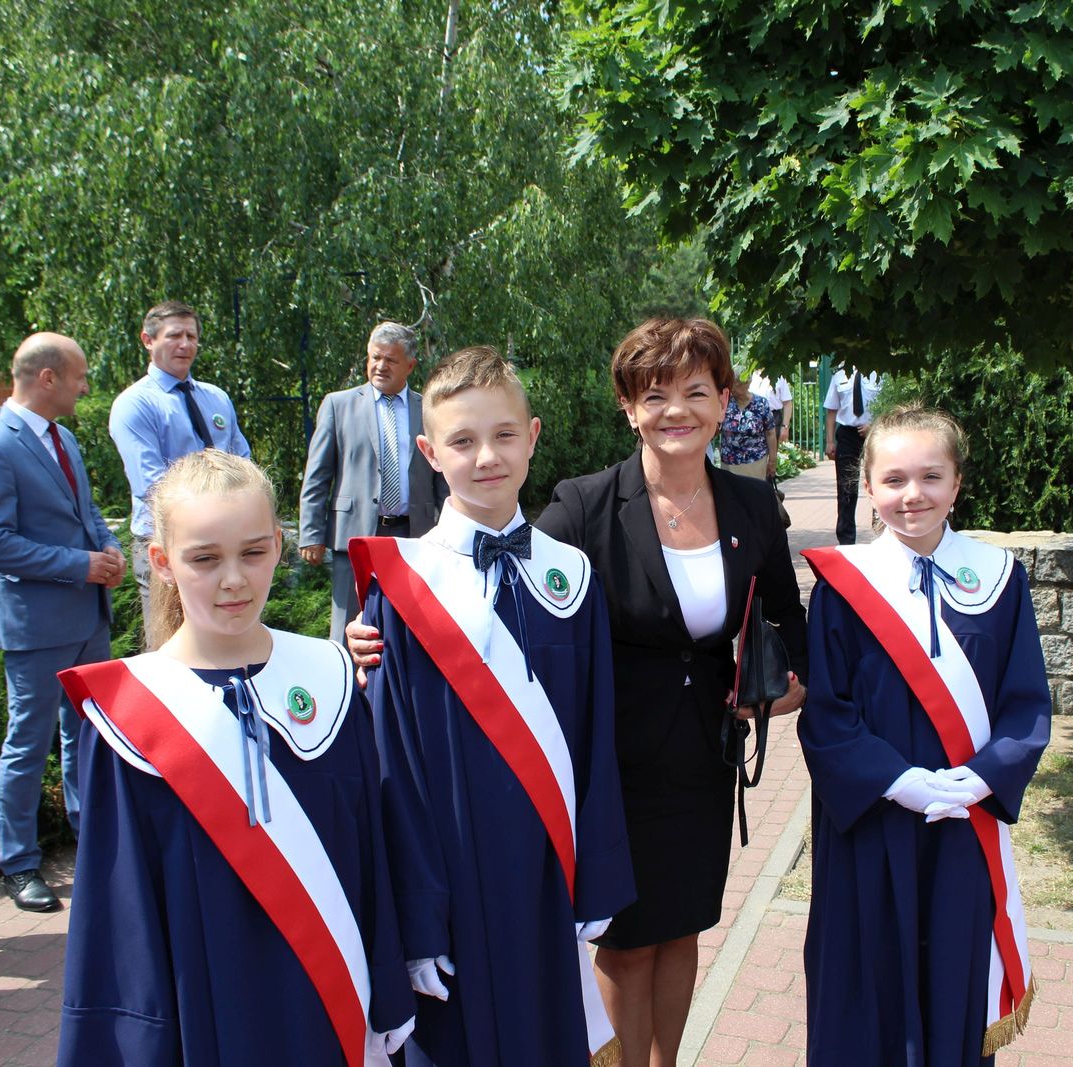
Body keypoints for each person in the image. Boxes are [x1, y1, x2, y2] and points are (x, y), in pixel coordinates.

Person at [349, 320, 808, 1066]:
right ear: (629, 408)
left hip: (700, 756)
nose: (676, 410)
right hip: (609, 764)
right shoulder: (589, 505)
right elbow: (486, 583)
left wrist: (777, 691)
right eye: (654, 395)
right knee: (626, 944)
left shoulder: (750, 506)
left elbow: (789, 616)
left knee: (683, 928)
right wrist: (371, 636)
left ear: (725, 401)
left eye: (696, 391)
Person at [54, 450, 415, 1066]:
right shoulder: (128, 717)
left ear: (279, 547)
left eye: (252, 552)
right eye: (204, 559)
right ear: (162, 562)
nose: (234, 580)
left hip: (333, 1002)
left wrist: (388, 990)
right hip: (207, 1011)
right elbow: (120, 920)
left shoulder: (328, 677)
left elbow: (371, 856)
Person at [352, 345, 632, 1066]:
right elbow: (393, 769)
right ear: (428, 452)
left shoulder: (572, 575)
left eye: (505, 434)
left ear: (533, 437)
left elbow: (596, 736)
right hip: (452, 877)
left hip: (547, 870)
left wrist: (596, 875)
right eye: (462, 441)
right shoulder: (402, 588)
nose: (487, 457)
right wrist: (417, 919)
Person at [798, 406, 1050, 1065]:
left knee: (953, 977)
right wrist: (898, 780)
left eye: (931, 476)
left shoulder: (999, 579)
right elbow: (827, 712)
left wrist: (984, 777)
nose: (913, 494)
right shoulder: (842, 587)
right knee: (867, 976)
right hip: (872, 821)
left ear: (957, 482)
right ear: (868, 486)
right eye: (894, 479)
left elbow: (1025, 702)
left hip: (962, 822)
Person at [0, 334, 124, 913]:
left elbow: (86, 512)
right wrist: (80, 564)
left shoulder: (64, 439)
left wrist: (108, 547)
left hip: (87, 616)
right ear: (48, 377)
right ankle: (20, 865)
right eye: (79, 376)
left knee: (88, 734)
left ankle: (91, 839)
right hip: (35, 626)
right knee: (28, 743)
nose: (85, 387)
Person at [109, 300, 250, 636]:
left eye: (191, 336)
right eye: (174, 336)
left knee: (227, 639)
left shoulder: (216, 398)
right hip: (170, 545)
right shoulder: (135, 404)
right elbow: (152, 484)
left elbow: (242, 463)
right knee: (172, 642)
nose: (185, 344)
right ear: (148, 340)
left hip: (227, 541)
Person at [299, 321, 442, 641]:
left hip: (414, 535)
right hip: (355, 534)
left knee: (412, 626)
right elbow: (318, 475)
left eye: (390, 360)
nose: (380, 366)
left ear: (410, 365)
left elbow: (442, 476)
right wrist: (311, 532)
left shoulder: (428, 409)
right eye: (375, 357)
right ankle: (345, 673)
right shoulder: (338, 405)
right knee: (347, 626)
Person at [822, 363, 882, 544]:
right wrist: (830, 441)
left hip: (876, 433)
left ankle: (882, 531)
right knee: (846, 488)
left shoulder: (880, 372)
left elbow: (889, 406)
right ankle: (846, 540)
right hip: (848, 434)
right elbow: (831, 410)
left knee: (881, 482)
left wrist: (875, 426)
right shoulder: (839, 375)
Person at [716, 370, 776, 480]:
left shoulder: (760, 403)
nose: (732, 389)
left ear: (747, 384)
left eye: (736, 385)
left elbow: (770, 433)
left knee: (753, 490)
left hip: (755, 461)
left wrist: (772, 460)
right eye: (731, 384)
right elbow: (716, 427)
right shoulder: (726, 403)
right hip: (729, 463)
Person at [747, 369, 794, 444]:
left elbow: (787, 403)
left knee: (771, 448)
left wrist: (785, 427)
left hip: (773, 417)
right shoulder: (751, 374)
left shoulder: (779, 376)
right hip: (753, 417)